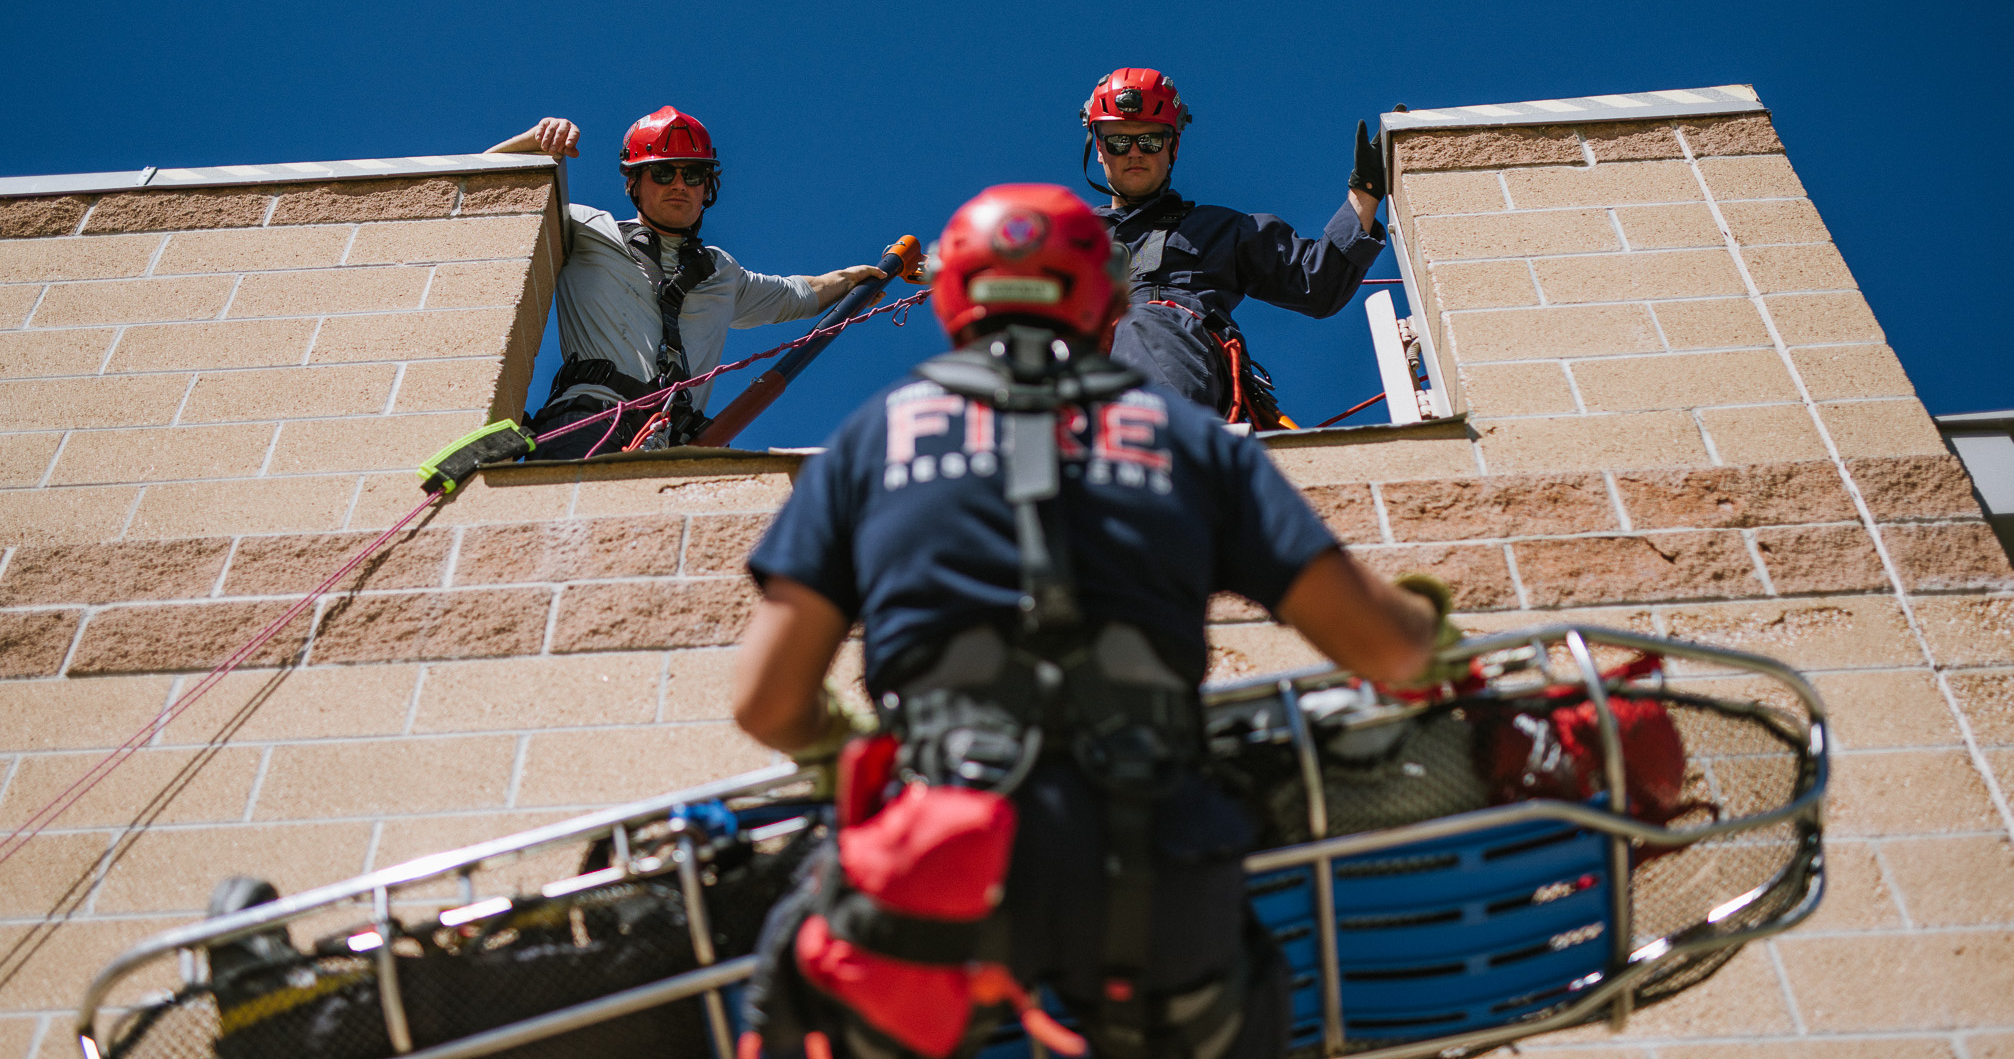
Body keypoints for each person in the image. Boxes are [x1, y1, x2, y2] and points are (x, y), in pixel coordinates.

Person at [730, 183, 1443, 1059]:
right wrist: (1425, 616)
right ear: (1108, 297)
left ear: (955, 295)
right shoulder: (1193, 440)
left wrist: (837, 744)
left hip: (940, 859)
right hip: (1158, 867)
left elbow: (765, 699)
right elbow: (1388, 648)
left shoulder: (874, 439)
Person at [486, 111, 884, 456]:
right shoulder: (587, 229)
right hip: (589, 424)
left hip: (672, 444)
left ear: (706, 187)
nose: (679, 184)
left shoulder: (721, 272)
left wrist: (857, 280)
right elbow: (468, 197)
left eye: (692, 174)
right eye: (663, 172)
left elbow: (803, 293)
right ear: (634, 184)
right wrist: (532, 142)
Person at [1079, 68, 1391, 426]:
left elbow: (1317, 284)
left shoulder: (1220, 229)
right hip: (1080, 376)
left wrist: (1365, 192)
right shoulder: (1068, 241)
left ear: (1173, 147)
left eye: (1149, 141)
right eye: (1119, 142)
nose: (1134, 152)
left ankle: (1166, 443)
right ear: (1099, 149)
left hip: (1183, 364)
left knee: (1145, 322)